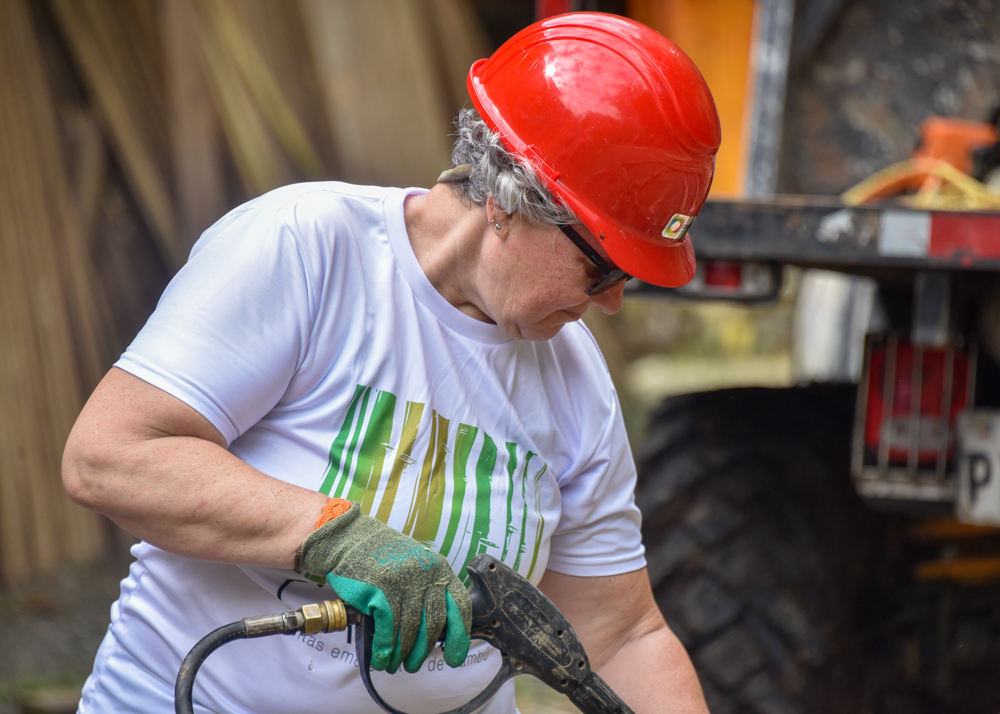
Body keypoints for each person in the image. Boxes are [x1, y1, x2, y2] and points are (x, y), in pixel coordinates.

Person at [62, 11, 720, 714]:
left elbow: (620, 634)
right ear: (511, 197)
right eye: (602, 267)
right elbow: (110, 457)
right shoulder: (310, 249)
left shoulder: (576, 378)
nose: (613, 302)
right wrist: (334, 538)